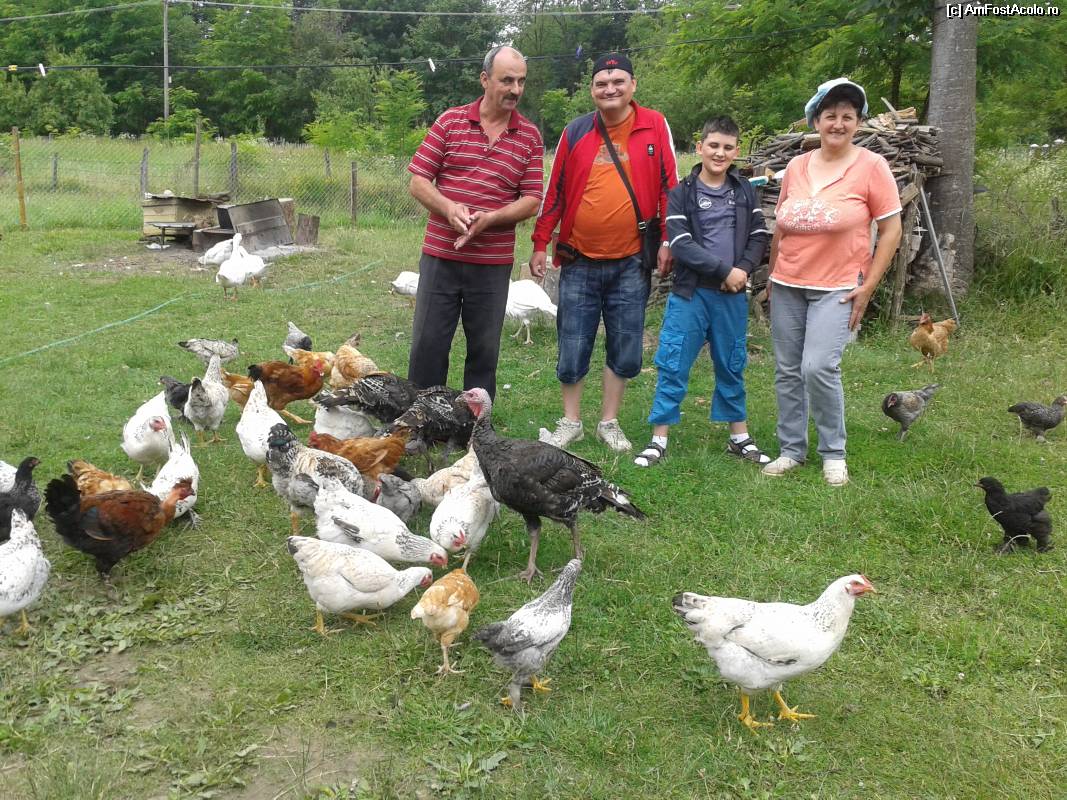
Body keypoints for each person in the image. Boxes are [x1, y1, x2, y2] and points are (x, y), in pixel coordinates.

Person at [530, 53, 677, 453]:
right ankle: (571, 422)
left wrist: (668, 239)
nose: (610, 89)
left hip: (631, 260)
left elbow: (670, 187)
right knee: (573, 341)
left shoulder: (654, 125)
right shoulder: (575, 131)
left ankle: (608, 422)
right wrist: (540, 242)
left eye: (618, 81)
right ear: (592, 89)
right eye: (601, 83)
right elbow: (555, 191)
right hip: (578, 258)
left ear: (633, 85)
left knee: (625, 343)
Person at [761, 78, 903, 486]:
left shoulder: (872, 167)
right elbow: (782, 226)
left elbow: (891, 230)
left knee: (819, 366)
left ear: (858, 122)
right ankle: (791, 449)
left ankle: (833, 452)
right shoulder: (797, 166)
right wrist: (772, 274)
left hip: (838, 285)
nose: (838, 123)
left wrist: (869, 285)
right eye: (830, 116)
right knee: (788, 369)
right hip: (787, 282)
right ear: (816, 121)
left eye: (847, 116)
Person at [407, 46, 544, 400]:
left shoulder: (529, 136)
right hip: (441, 257)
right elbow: (418, 181)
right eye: (507, 80)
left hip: (491, 265)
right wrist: (448, 207)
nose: (515, 89)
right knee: (428, 346)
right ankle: (423, 418)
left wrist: (492, 219)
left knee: (484, 351)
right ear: (485, 79)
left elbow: (532, 199)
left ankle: (475, 425)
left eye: (521, 81)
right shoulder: (449, 121)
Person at [633, 116, 771, 468]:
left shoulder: (745, 190)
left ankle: (739, 437)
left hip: (731, 296)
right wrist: (724, 271)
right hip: (690, 295)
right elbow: (681, 244)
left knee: (732, 363)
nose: (719, 153)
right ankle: (658, 440)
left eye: (727, 147)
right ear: (700, 147)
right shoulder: (681, 193)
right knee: (673, 361)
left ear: (736, 151)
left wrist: (742, 270)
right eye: (713, 145)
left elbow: (759, 235)